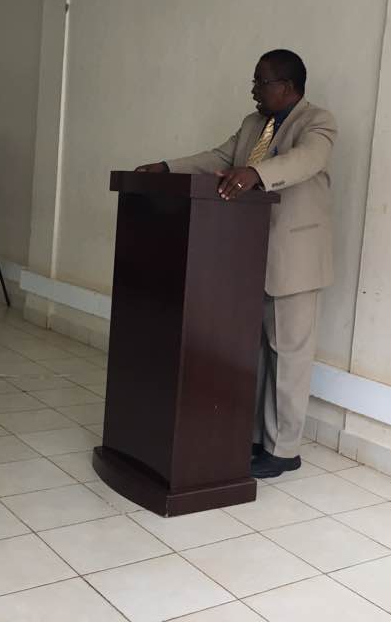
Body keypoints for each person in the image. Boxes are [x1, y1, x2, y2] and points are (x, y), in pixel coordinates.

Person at [136, 49, 336, 478]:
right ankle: (257, 438)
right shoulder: (252, 125)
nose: (254, 90)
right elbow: (220, 158)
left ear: (287, 86)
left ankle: (284, 450)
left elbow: (306, 160)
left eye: (261, 82)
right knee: (255, 354)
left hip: (294, 260)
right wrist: (168, 168)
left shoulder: (317, 122)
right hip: (247, 255)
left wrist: (256, 174)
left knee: (289, 357)